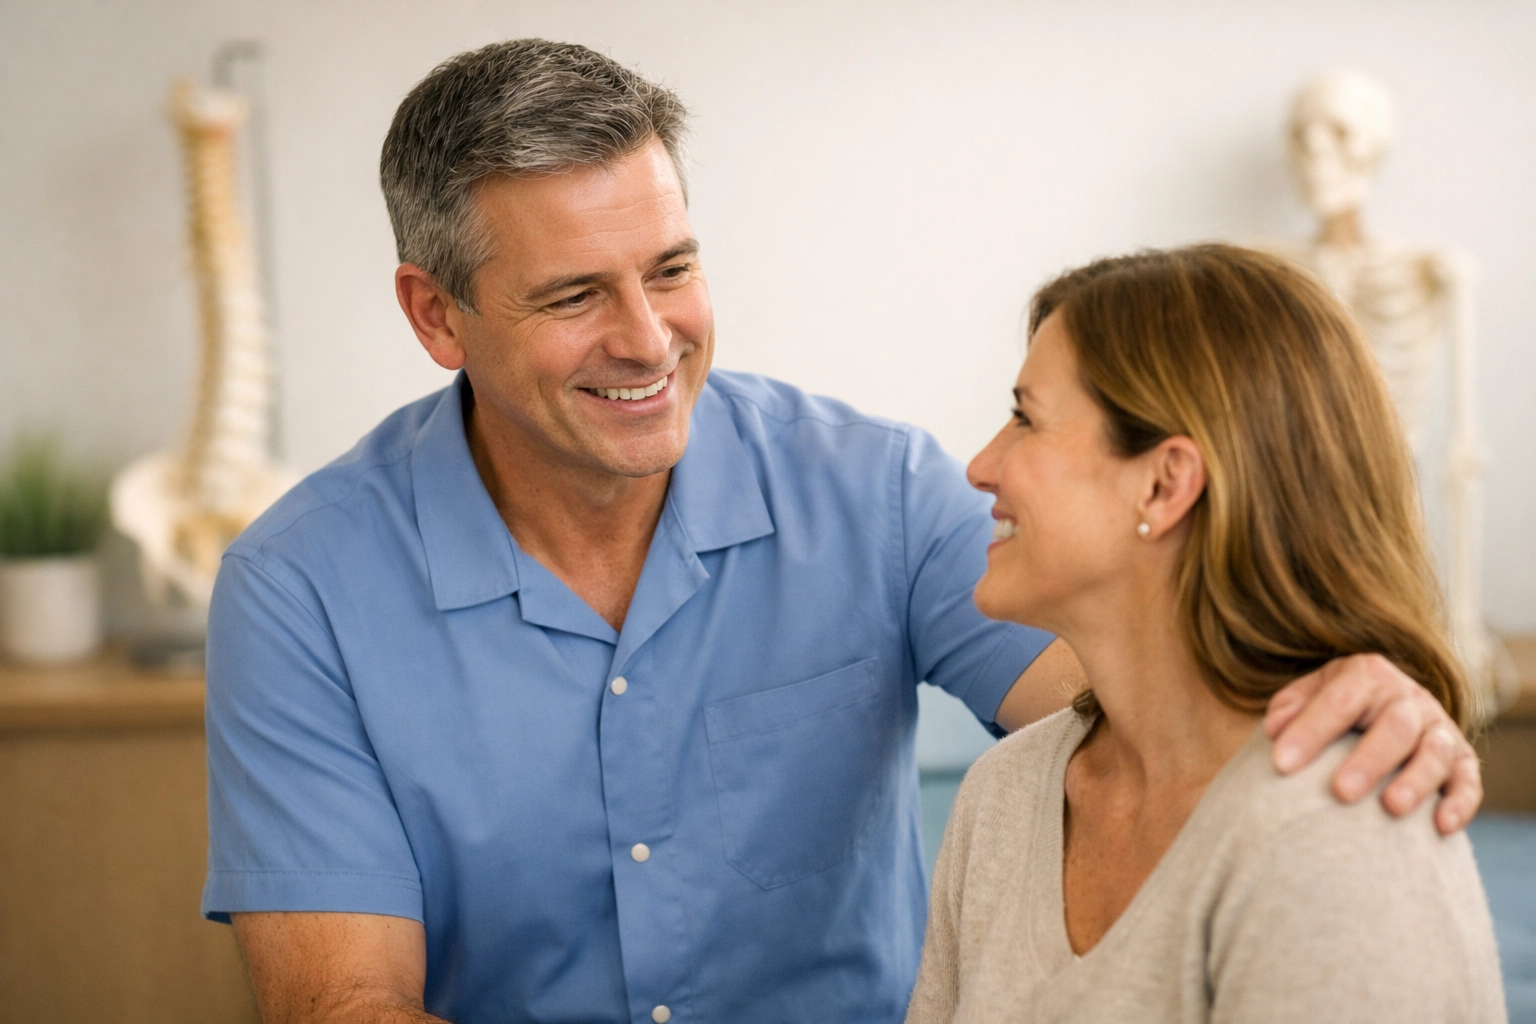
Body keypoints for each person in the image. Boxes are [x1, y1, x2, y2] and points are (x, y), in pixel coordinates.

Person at [203, 41, 1483, 1024]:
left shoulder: (870, 491)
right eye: (576, 294)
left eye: (671, 268)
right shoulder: (300, 588)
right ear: (437, 317)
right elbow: (344, 1003)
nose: (650, 340)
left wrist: (1336, 693)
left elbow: (1149, 714)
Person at [906, 244, 1505, 1023]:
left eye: (1026, 417)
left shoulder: (1339, 835)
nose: (982, 466)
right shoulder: (1004, 796)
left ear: (1165, 481)